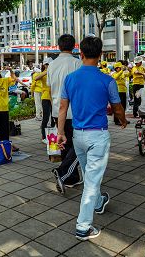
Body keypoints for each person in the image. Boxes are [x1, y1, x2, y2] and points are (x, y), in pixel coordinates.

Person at [57, 36, 127, 240]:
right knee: (92, 182)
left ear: (81, 54)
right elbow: (117, 107)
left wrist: (61, 133)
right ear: (101, 55)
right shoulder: (107, 80)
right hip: (98, 136)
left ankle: (98, 203)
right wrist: (122, 120)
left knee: (89, 174)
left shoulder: (70, 79)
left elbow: (62, 107)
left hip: (77, 135)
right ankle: (83, 226)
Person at [48, 34, 82, 194]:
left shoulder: (51, 65)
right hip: (74, 111)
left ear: (59, 46)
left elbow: (49, 87)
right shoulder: (77, 63)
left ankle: (70, 175)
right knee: (76, 144)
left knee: (63, 142)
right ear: (74, 46)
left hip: (57, 110)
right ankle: (66, 173)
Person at [34, 61, 55, 142]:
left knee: (54, 117)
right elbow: (36, 78)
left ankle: (53, 135)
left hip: (53, 97)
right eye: (47, 64)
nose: (49, 66)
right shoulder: (43, 73)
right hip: (46, 97)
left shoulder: (53, 73)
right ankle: (43, 137)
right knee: (46, 118)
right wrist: (46, 71)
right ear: (45, 65)